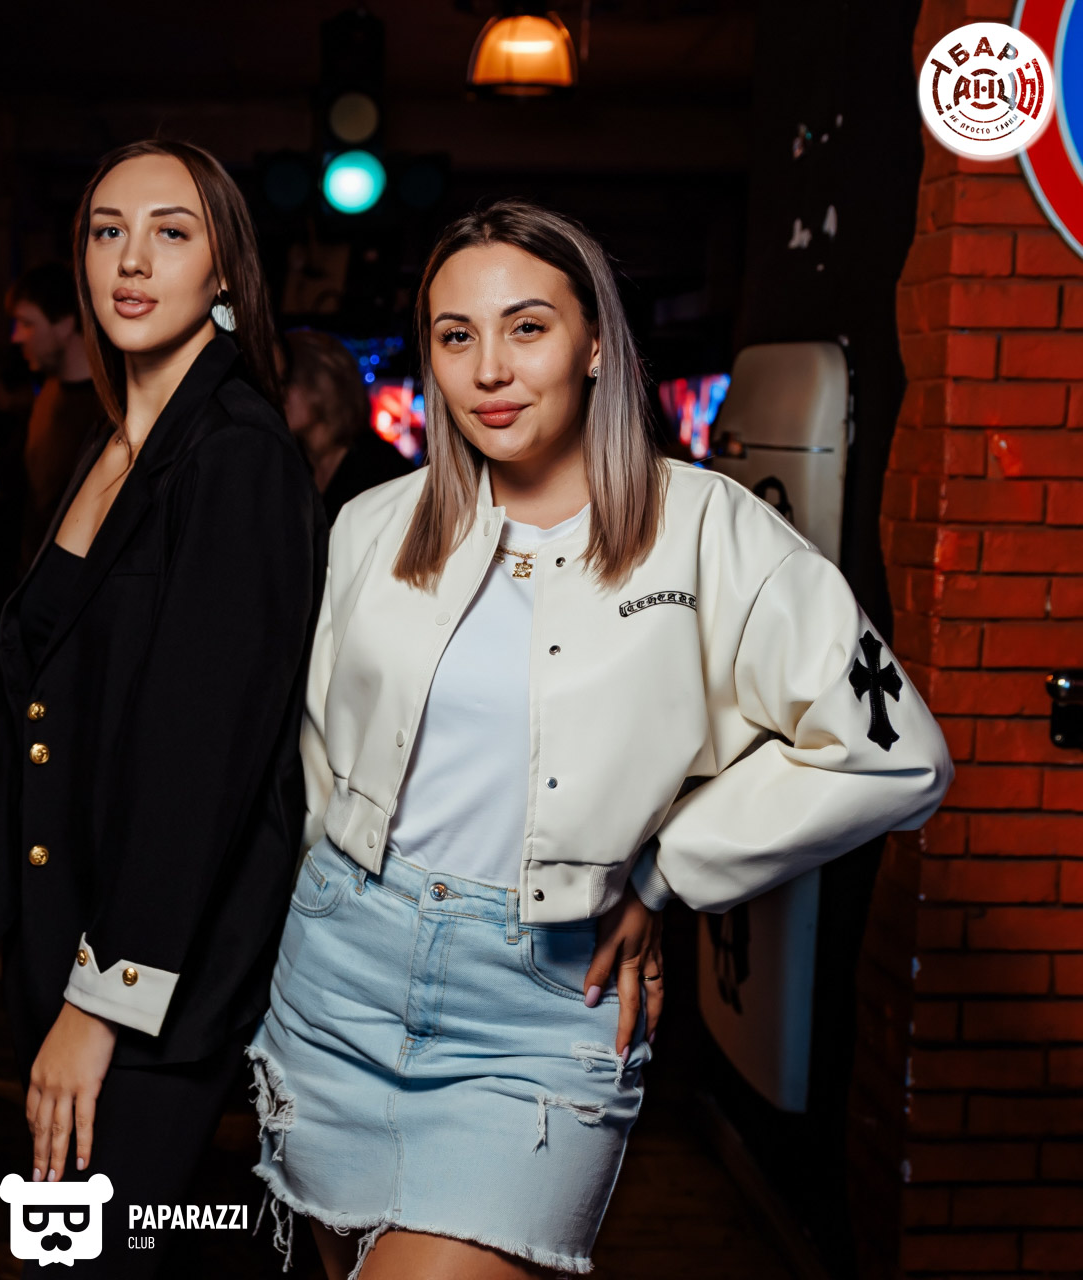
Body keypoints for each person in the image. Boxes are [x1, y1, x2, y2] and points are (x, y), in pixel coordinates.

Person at [246, 200, 952, 1279]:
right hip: (340, 971)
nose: (489, 368)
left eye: (527, 327)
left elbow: (893, 752)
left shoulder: (710, 529)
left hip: (542, 1004)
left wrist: (667, 871)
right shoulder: (374, 525)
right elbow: (319, 754)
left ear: (593, 344)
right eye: (455, 334)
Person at [0, 140, 323, 1277]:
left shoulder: (237, 453)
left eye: (171, 232)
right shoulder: (117, 439)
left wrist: (100, 1001)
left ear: (225, 270)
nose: (130, 259)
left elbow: (200, 765)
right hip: (63, 934)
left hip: (145, 973)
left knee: (87, 1262)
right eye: (107, 230)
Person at [9, 262, 105, 562]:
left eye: (27, 324)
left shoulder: (106, 411)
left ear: (64, 325)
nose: (16, 337)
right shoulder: (50, 391)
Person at [280, 327, 413, 523]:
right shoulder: (291, 465)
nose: (277, 393)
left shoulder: (380, 469)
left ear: (321, 386)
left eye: (286, 381)